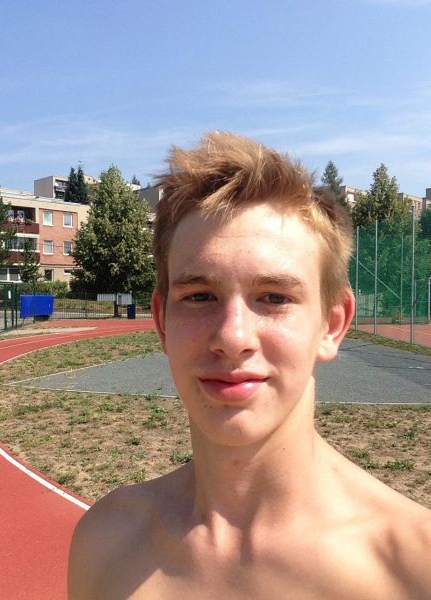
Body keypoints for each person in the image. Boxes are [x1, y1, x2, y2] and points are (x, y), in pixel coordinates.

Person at [68, 132, 431, 600]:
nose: (232, 338)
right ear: (161, 322)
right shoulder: (105, 542)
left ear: (332, 324)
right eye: (199, 296)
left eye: (274, 298)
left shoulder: (414, 568)